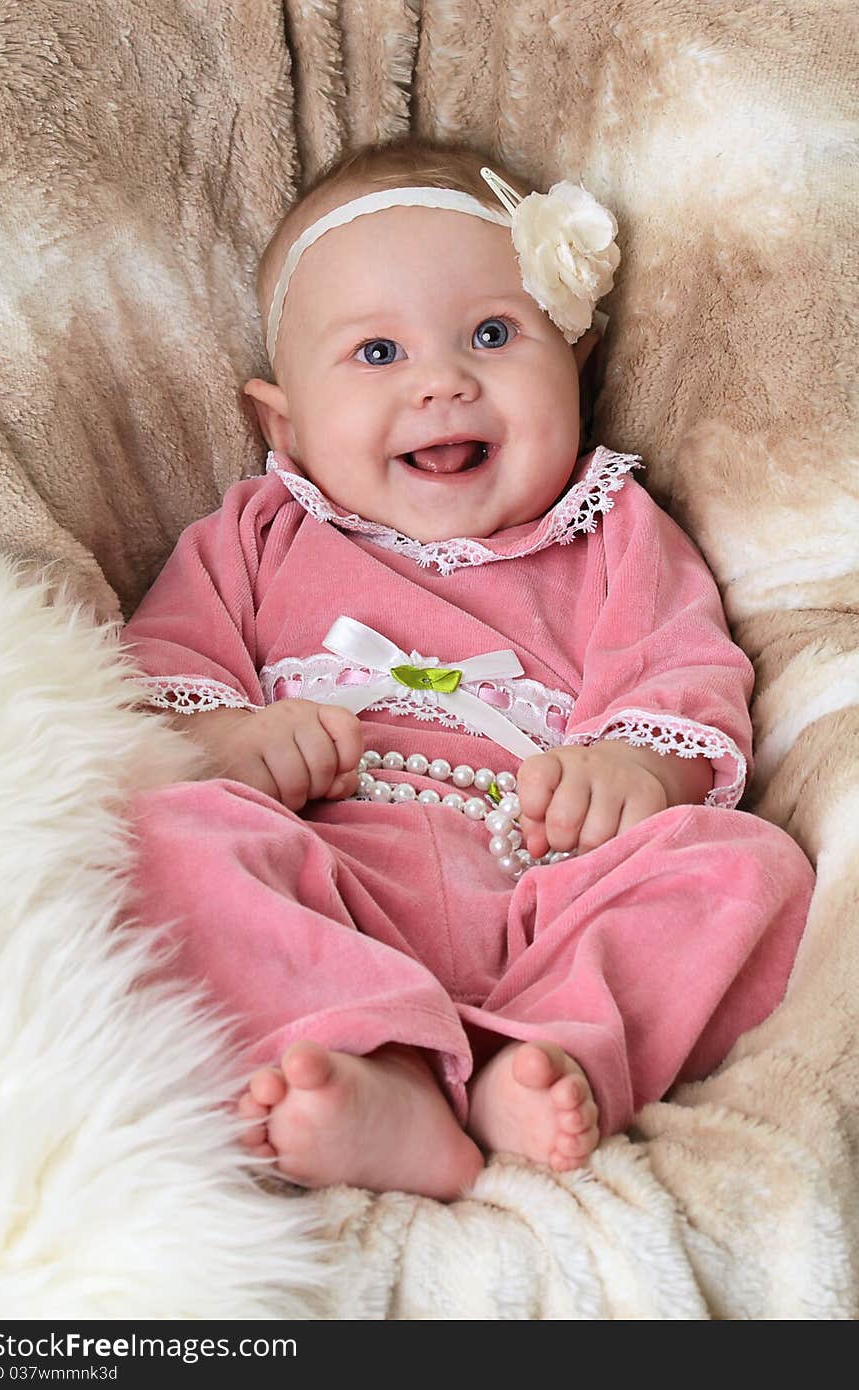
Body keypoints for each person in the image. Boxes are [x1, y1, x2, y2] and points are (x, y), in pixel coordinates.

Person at [122, 139, 814, 1202]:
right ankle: (380, 1066)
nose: (442, 382)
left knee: (745, 866)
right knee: (165, 837)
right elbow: (156, 681)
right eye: (376, 353)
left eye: (493, 335)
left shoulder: (610, 528)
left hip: (545, 885)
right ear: (284, 421)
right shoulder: (254, 535)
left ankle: (531, 1059)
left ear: (573, 361)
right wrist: (231, 742)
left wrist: (634, 769)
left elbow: (682, 668)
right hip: (329, 877)